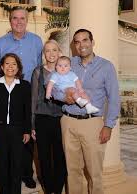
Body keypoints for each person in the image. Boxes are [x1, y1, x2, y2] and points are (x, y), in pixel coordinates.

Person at [61, 29, 120, 194]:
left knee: (95, 173)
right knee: (72, 171)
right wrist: (64, 97)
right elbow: (55, 87)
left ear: (92, 42)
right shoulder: (68, 64)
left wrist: (108, 125)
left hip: (93, 123)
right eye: (77, 42)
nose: (81, 45)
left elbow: (114, 98)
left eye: (85, 40)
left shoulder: (106, 66)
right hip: (68, 122)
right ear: (74, 45)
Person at [0, 6, 43, 188]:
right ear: (10, 20)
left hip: (28, 94)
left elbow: (40, 69)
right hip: (7, 92)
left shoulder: (37, 41)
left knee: (26, 134)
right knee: (5, 138)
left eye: (22, 18)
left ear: (27, 20)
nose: (19, 22)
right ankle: (2, 174)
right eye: (15, 18)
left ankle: (26, 174)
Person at [0, 53, 31, 194]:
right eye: (7, 63)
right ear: (2, 66)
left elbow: (28, 110)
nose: (10, 67)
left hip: (18, 130)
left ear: (18, 67)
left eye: (14, 64)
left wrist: (27, 130)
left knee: (16, 165)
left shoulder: (25, 86)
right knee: (2, 165)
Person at [31, 40, 67, 194]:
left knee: (60, 156)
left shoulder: (66, 72)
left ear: (59, 52)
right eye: (47, 51)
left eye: (54, 50)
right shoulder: (38, 72)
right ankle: (48, 189)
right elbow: (34, 99)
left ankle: (58, 189)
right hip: (42, 119)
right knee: (44, 158)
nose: (51, 54)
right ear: (43, 54)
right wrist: (32, 125)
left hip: (61, 119)